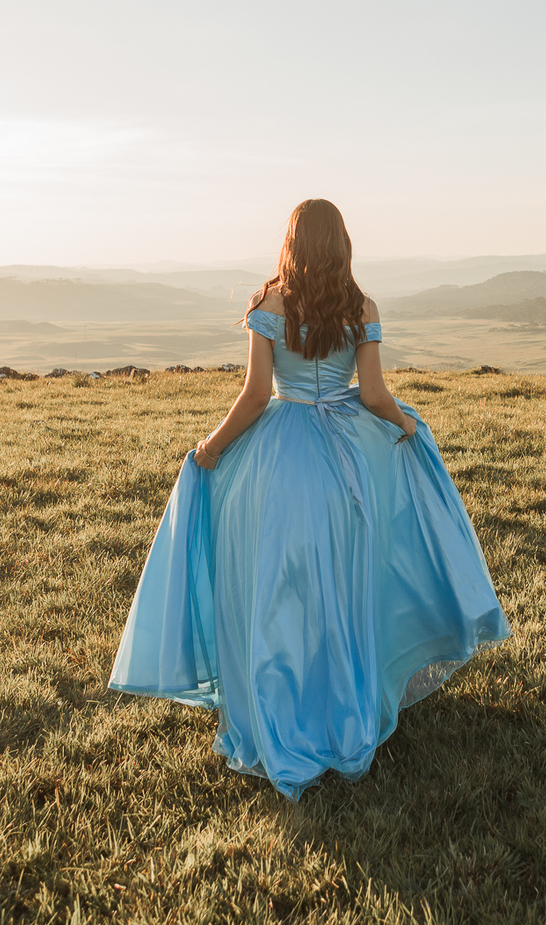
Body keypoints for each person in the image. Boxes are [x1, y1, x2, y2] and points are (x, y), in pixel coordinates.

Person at [109, 198, 511, 801]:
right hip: (347, 462)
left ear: (292, 244)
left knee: (280, 589)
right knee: (343, 586)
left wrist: (210, 449)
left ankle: (282, 714)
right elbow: (373, 395)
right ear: (343, 244)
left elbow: (253, 398)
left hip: (282, 459)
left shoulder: (270, 305)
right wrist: (405, 426)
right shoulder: (362, 307)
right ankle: (342, 710)